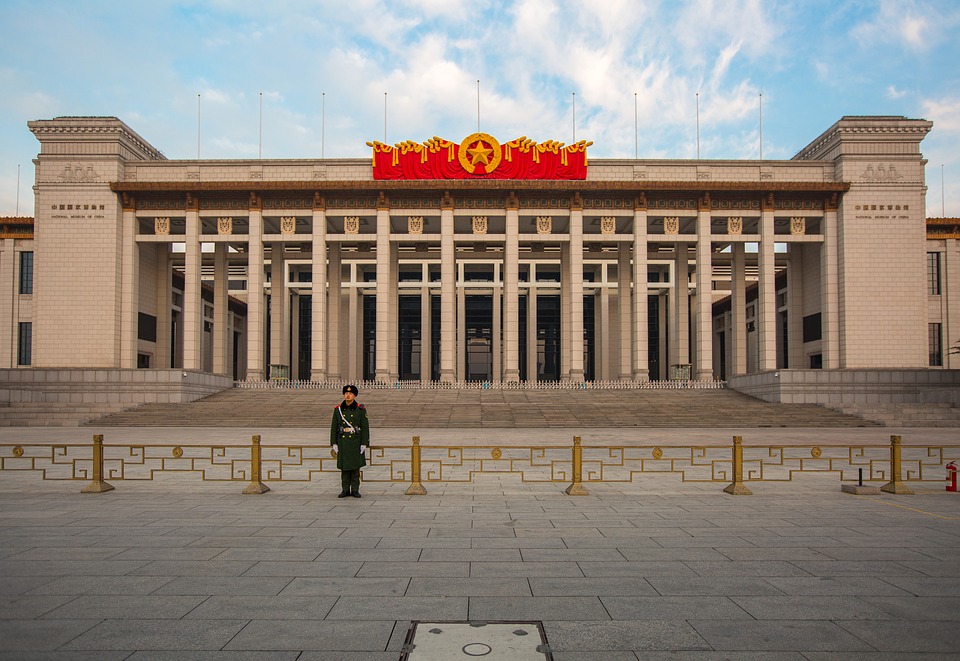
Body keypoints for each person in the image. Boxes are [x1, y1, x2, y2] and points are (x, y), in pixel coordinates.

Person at [330, 384, 369, 498]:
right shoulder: (338, 410)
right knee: (345, 468)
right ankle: (345, 489)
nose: (348, 395)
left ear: (355, 395)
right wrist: (334, 443)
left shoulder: (360, 409)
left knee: (355, 468)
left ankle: (355, 490)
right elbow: (334, 427)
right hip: (343, 441)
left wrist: (364, 443)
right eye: (346, 393)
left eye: (351, 394)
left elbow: (365, 427)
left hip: (355, 441)